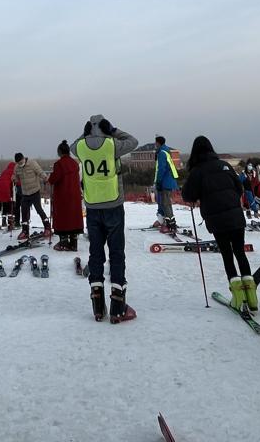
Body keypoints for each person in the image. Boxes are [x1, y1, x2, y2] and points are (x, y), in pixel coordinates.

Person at [72, 114, 138, 322]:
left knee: (96, 253)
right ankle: (118, 306)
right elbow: (133, 142)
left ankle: (98, 306)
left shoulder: (81, 147)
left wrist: (85, 134)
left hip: (92, 206)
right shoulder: (112, 144)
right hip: (113, 204)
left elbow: (73, 146)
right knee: (117, 253)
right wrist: (113, 130)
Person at [182, 137, 255, 313]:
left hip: (216, 218)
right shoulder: (225, 165)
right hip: (236, 215)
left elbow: (188, 194)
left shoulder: (197, 171)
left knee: (227, 255)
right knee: (240, 253)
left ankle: (238, 298)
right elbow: (239, 187)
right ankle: (252, 298)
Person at [48, 141, 83, 251]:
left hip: (63, 195)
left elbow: (53, 179)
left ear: (60, 152)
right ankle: (73, 243)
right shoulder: (75, 163)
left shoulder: (59, 164)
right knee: (73, 217)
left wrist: (50, 177)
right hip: (75, 195)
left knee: (62, 217)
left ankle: (63, 242)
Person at [13, 152, 50, 241]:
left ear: (23, 159)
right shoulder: (17, 167)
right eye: (18, 163)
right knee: (24, 211)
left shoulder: (32, 163)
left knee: (39, 209)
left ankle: (47, 227)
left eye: (21, 162)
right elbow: (16, 176)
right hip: (25, 193)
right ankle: (25, 231)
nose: (20, 164)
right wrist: (13, 178)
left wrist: (46, 178)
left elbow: (40, 172)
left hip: (35, 191)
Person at [153, 136, 179, 234]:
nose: (155, 145)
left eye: (155, 143)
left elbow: (162, 169)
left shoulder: (162, 153)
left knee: (165, 203)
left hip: (165, 182)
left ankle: (170, 224)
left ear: (158, 143)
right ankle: (164, 221)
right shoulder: (165, 151)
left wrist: (159, 181)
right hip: (167, 181)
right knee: (163, 202)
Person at [0, 158, 16, 230]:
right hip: (5, 189)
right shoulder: (13, 172)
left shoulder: (4, 171)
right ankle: (10, 223)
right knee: (8, 207)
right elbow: (14, 184)